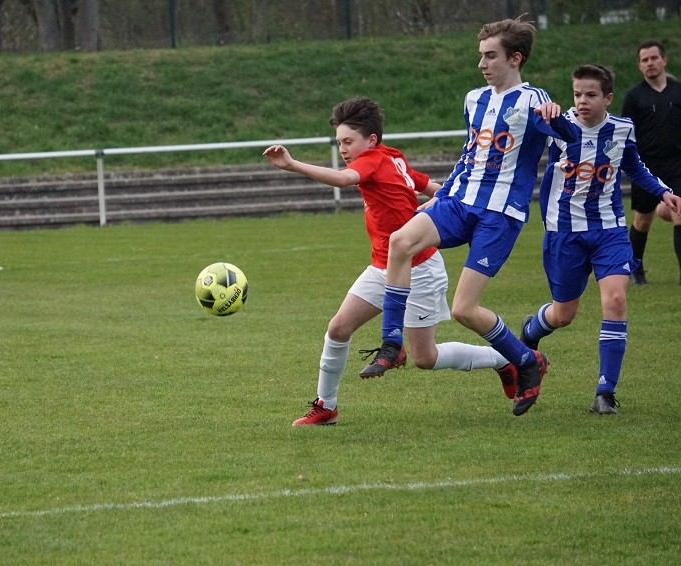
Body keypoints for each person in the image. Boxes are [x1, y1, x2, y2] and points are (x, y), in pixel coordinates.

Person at [361, 17, 575, 416]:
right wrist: (440, 197)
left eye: (490, 56)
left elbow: (572, 139)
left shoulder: (533, 100)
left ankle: (526, 361)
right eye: (481, 56)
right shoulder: (474, 99)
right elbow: (468, 155)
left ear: (515, 58)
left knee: (463, 310)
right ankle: (392, 343)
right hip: (460, 202)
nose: (482, 64)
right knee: (400, 242)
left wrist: (557, 118)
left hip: (499, 215)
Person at [263, 97, 517, 426]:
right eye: (339, 143)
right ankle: (327, 406)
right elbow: (432, 187)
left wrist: (292, 164)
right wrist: (441, 200)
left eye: (348, 141)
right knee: (338, 327)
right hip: (383, 267)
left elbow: (343, 180)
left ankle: (504, 359)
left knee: (425, 357)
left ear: (371, 140)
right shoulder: (392, 157)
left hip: (420, 269)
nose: (343, 149)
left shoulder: (372, 160)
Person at [521, 64, 681, 415]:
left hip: (610, 230)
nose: (582, 101)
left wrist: (663, 191)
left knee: (616, 300)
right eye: (577, 94)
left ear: (608, 98)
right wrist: (543, 108)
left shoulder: (622, 128)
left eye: (591, 95)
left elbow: (633, 166)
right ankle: (530, 331)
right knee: (563, 314)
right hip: (565, 232)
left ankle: (605, 392)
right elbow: (529, 120)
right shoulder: (558, 125)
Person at [622, 40, 681, 286]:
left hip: (676, 164)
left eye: (654, 58)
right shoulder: (634, 97)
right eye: (644, 60)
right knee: (642, 221)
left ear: (664, 60)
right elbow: (625, 134)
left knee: (680, 213)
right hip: (646, 168)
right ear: (639, 66)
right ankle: (635, 270)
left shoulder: (678, 91)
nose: (650, 63)